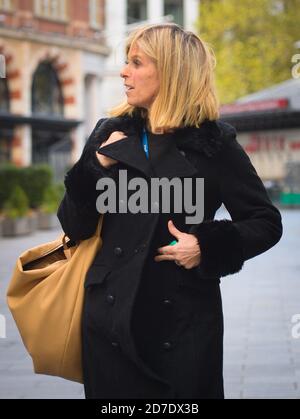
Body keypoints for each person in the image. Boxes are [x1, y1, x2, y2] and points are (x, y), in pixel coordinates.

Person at [57, 23, 283, 399]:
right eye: (126, 62)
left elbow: (266, 222)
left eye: (136, 62)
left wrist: (206, 247)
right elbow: (74, 225)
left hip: (183, 324)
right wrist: (95, 163)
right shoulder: (108, 135)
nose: (123, 72)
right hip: (109, 322)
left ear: (171, 71)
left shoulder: (214, 143)